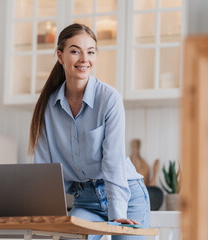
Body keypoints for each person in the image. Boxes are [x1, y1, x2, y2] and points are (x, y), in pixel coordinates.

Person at [29, 23, 150, 240]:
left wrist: (118, 215)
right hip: (85, 200)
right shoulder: (48, 106)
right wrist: (45, 216)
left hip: (128, 197)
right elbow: (43, 168)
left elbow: (112, 161)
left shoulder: (109, 99)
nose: (85, 59)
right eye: (75, 51)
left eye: (91, 52)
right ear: (60, 56)